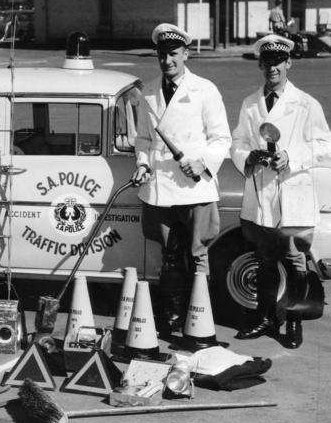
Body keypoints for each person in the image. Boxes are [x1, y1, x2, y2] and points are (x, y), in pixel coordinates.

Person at [230, 34, 331, 348]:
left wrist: (293, 157)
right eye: (267, 62)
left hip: (293, 192)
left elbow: (324, 145)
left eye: (278, 62)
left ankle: (294, 323)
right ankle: (265, 319)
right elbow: (238, 143)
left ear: (288, 63)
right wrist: (249, 157)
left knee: (294, 261)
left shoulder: (305, 104)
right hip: (262, 193)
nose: (272, 68)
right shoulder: (250, 104)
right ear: (261, 63)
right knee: (263, 259)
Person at [131, 23, 231, 335]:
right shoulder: (147, 91)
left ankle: (200, 320)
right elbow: (144, 140)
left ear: (185, 53)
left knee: (198, 254)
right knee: (169, 254)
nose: (167, 61)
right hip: (161, 188)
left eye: (173, 54)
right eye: (162, 55)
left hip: (195, 188)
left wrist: (201, 164)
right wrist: (143, 163)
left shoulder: (205, 90)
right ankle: (173, 315)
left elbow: (221, 138)